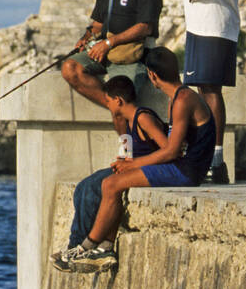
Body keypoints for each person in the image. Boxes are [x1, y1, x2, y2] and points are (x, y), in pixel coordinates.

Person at [53, 47, 214, 273]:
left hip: (186, 171)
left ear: (152, 76)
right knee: (110, 184)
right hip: (184, 166)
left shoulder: (182, 100)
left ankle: (86, 247)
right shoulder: (179, 97)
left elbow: (171, 152)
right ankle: (105, 246)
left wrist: (132, 164)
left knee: (110, 184)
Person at [150, 0, 245, 184]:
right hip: (209, 22)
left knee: (210, 89)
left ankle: (215, 162)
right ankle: (211, 159)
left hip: (211, 22)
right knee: (207, 88)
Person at [51, 75, 166, 268]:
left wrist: (133, 164)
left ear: (118, 101)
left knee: (95, 188)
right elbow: (127, 148)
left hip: (146, 169)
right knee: (83, 186)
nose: (108, 106)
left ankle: (81, 247)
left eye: (108, 102)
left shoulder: (144, 117)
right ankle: (79, 244)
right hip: (132, 166)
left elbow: (168, 149)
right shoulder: (127, 121)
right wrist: (122, 160)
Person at [60, 0, 163, 138]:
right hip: (104, 51)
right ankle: (114, 105)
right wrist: (86, 37)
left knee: (121, 106)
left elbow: (145, 27)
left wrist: (109, 42)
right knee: (70, 68)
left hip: (132, 56)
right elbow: (98, 23)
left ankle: (128, 153)